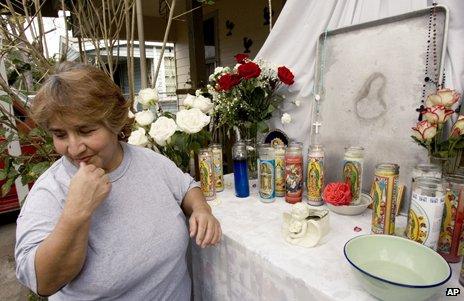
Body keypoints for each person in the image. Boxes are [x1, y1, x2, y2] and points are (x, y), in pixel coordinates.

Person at [15, 62, 222, 300]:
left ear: (114, 121)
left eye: (86, 130)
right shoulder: (50, 191)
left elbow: (186, 186)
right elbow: (42, 282)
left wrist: (201, 209)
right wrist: (76, 212)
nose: (74, 148)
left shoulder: (150, 161)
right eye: (60, 134)